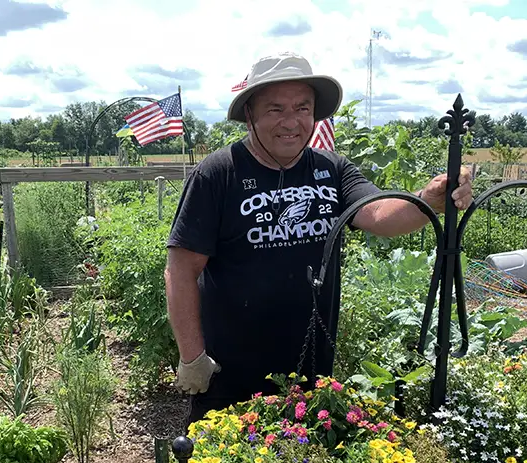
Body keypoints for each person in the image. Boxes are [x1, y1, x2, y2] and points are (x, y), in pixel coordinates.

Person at [164, 52, 473, 427]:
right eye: (275, 109)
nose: (291, 122)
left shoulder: (331, 169)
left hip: (309, 369)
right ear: (250, 114)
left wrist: (428, 201)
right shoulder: (219, 174)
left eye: (302, 108)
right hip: (229, 374)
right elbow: (181, 270)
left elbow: (377, 214)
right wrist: (193, 357)